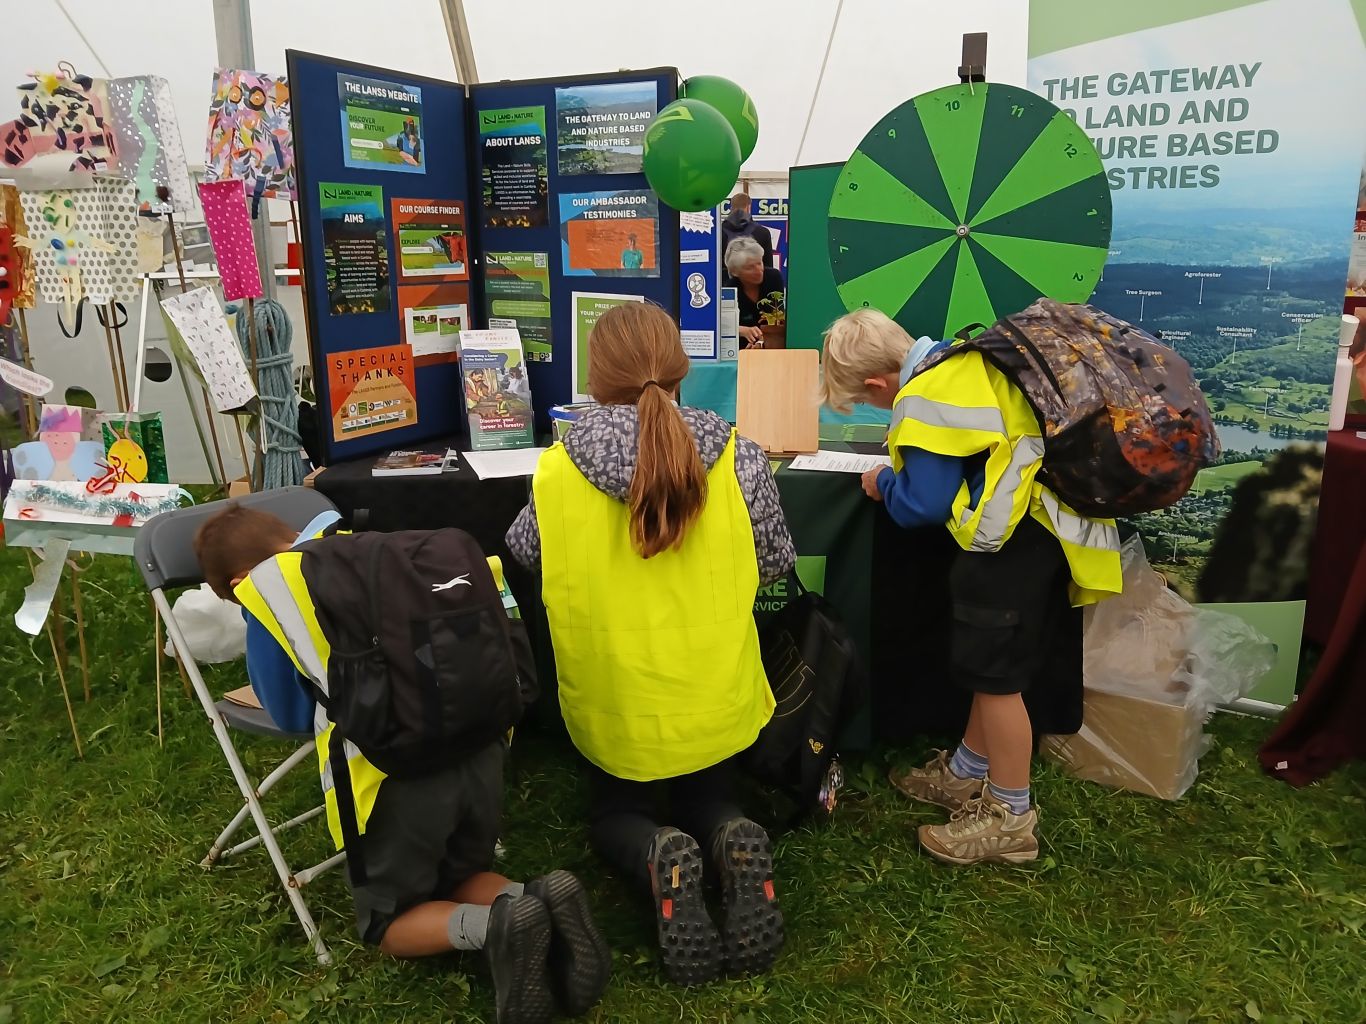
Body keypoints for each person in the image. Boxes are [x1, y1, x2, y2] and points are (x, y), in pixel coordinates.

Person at [194, 505, 612, 1024]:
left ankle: (496, 928)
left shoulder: (276, 589)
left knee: (387, 926)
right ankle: (535, 900)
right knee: (462, 872)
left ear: (241, 581)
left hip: (392, 779)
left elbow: (289, 713)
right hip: (480, 748)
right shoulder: (382, 550)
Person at [507, 302, 795, 985]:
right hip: (716, 690)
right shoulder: (739, 454)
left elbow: (524, 550)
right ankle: (726, 834)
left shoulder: (559, 468)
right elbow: (775, 562)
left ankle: (655, 851)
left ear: (595, 374)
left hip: (612, 695)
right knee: (708, 792)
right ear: (681, 368)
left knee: (617, 809)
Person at [817, 309, 1122, 866]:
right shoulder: (960, 362)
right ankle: (966, 772)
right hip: (1046, 534)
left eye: (864, 400)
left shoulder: (924, 396)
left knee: (998, 681)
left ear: (877, 384)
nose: (872, 407)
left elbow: (925, 503)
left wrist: (884, 481)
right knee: (990, 670)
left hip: (1011, 546)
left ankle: (1010, 819)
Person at [724, 237, 784, 349]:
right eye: (750, 267)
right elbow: (721, 325)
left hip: (772, 344)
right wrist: (739, 330)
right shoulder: (728, 289)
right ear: (735, 272)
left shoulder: (773, 278)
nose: (759, 270)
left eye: (759, 263)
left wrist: (762, 341)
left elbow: (778, 320)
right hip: (741, 349)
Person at [720, 192, 773, 269]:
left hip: (727, 276)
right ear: (748, 207)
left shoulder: (718, 233)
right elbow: (768, 267)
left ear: (731, 208)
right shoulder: (763, 232)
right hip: (754, 276)